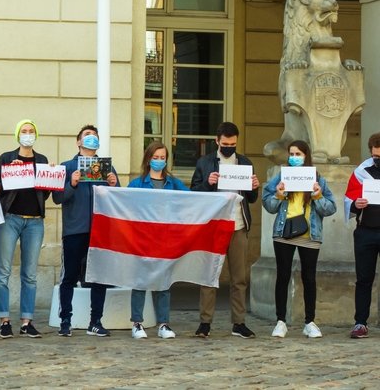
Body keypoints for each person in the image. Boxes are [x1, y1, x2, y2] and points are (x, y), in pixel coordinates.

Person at [190, 121, 260, 339]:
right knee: (209, 276)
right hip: (214, 226)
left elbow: (252, 198)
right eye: (225, 143)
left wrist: (254, 187)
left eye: (233, 143)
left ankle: (238, 322)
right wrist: (208, 183)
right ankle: (205, 322)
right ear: (217, 141)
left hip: (238, 225)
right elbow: (194, 193)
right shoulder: (205, 162)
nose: (229, 146)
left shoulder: (244, 162)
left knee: (239, 278)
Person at [262, 140, 336, 339]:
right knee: (283, 276)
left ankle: (309, 322)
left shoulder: (317, 178)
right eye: (291, 154)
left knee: (309, 278)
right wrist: (278, 195)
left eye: (298, 154)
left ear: (306, 156)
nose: (294, 158)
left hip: (309, 235)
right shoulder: (282, 175)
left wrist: (318, 196)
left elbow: (331, 208)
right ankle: (280, 322)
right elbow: (267, 203)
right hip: (284, 233)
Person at [52, 124, 120, 337]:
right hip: (74, 230)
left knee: (98, 277)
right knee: (69, 277)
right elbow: (57, 198)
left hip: (99, 231)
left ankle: (96, 321)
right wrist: (71, 184)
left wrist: (114, 185)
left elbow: (118, 199)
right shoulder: (67, 166)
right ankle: (66, 321)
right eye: (87, 135)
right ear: (78, 141)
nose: (91, 139)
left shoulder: (107, 167)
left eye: (94, 136)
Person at [0, 119, 50, 339]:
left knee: (30, 274)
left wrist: (49, 176)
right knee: (3, 271)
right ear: (18, 135)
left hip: (35, 221)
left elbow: (45, 194)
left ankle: (27, 321)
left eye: (31, 131)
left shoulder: (42, 159)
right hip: (10, 218)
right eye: (24, 131)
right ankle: (4, 320)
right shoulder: (7, 158)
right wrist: (11, 173)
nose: (28, 134)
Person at [127, 141, 188, 340]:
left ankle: (164, 324)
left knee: (164, 283)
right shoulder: (137, 184)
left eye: (163, 158)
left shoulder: (174, 183)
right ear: (148, 159)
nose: (159, 161)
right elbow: (123, 205)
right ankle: (137, 323)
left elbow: (192, 200)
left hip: (165, 239)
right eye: (156, 158)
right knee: (140, 282)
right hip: (142, 239)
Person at [348, 132, 380, 338]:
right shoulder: (361, 172)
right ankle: (360, 323)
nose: (378, 161)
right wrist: (355, 204)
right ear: (370, 152)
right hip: (366, 231)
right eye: (376, 157)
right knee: (364, 279)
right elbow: (348, 200)